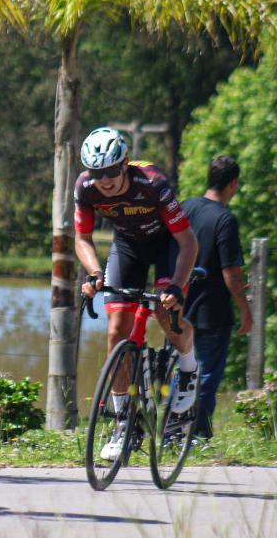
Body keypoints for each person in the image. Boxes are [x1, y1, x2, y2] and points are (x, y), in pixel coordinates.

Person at [74, 127, 199, 461]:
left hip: (168, 245)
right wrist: (95, 274)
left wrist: (176, 285)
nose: (105, 180)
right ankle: (123, 424)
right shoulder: (85, 188)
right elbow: (83, 239)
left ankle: (188, 367)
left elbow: (188, 242)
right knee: (116, 332)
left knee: (164, 314)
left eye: (112, 171)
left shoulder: (153, 184)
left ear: (125, 164)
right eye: (98, 173)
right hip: (128, 247)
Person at [183, 155, 252, 438]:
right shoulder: (225, 219)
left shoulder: (185, 207)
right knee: (206, 377)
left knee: (182, 373)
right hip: (213, 312)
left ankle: (173, 432)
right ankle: (197, 436)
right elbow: (230, 273)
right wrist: (246, 310)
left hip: (180, 306)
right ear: (233, 184)